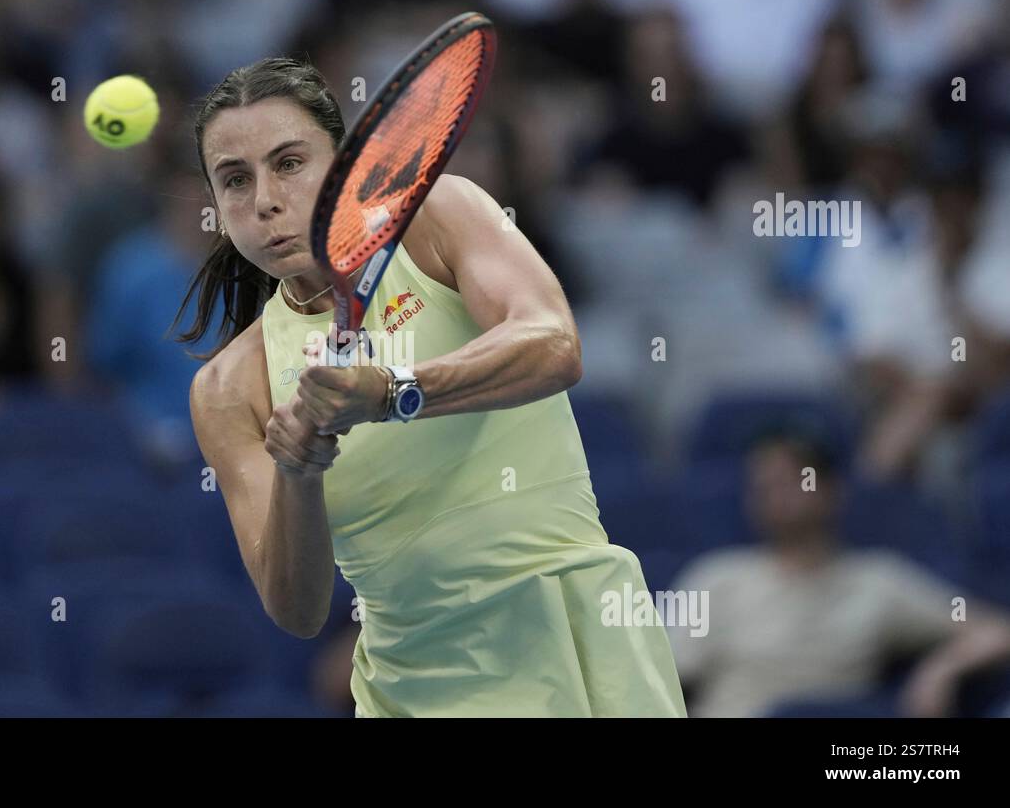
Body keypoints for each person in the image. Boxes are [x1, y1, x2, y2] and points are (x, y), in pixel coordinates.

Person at [179, 57, 686, 717]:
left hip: (577, 640)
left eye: (290, 162)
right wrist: (299, 469)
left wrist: (392, 391)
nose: (266, 198)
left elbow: (554, 344)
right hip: (412, 692)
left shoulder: (436, 216)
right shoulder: (227, 387)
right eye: (236, 180)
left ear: (343, 167)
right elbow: (297, 609)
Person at [668, 427, 1010, 717]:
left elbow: (995, 630)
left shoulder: (877, 580)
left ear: (832, 491)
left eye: (792, 479)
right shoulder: (715, 577)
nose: (775, 494)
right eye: (763, 484)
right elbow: (658, 680)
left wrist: (942, 670)